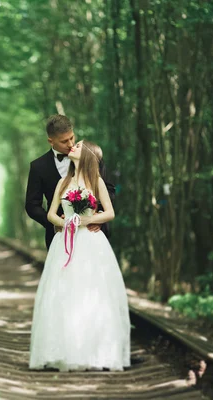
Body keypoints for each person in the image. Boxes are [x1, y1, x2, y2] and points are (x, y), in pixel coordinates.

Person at [29, 140, 130, 372]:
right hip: (65, 240)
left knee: (92, 292)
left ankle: (94, 349)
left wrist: (88, 220)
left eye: (78, 145)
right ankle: (64, 349)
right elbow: (52, 213)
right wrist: (64, 223)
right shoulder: (63, 182)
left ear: (86, 155)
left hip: (91, 243)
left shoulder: (97, 182)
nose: (73, 146)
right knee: (63, 292)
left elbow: (110, 213)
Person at [25, 115, 115, 249]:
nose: (71, 144)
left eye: (72, 138)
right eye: (64, 141)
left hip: (93, 232)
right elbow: (32, 206)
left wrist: (98, 216)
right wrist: (56, 223)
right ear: (51, 141)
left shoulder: (92, 157)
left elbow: (109, 190)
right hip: (60, 236)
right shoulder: (38, 167)